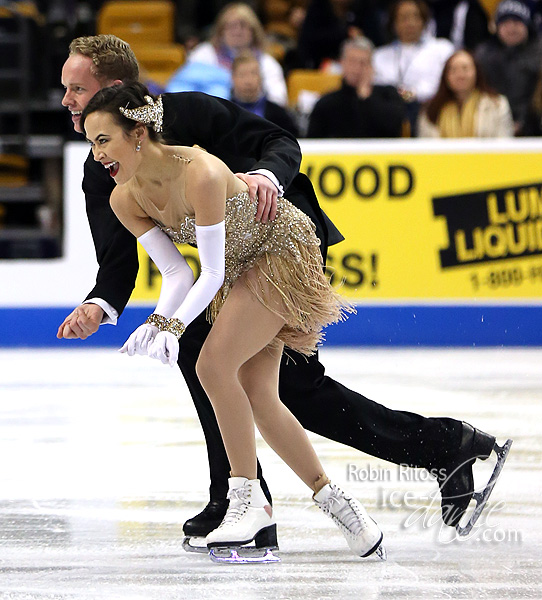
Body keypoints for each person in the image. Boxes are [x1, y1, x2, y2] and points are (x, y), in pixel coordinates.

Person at [58, 35, 508, 545]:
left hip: (281, 243)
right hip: (227, 270)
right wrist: (99, 305)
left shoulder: (194, 117)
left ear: (114, 91)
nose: (67, 100)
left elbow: (280, 143)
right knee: (243, 378)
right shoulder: (106, 171)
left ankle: (253, 496)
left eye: (78, 88)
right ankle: (265, 494)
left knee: (256, 378)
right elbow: (123, 260)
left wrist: (266, 175)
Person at [80, 81, 386, 561]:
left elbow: (213, 271)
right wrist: (158, 319)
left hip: (282, 249)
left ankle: (248, 498)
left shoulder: (198, 170)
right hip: (244, 268)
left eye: (103, 140)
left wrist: (174, 328)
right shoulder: (124, 198)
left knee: (212, 367)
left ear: (138, 133)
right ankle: (344, 509)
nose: (96, 155)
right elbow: (178, 273)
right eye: (90, 143)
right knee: (259, 395)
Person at [168, 3, 288, 107]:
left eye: (243, 26)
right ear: (220, 31)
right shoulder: (203, 54)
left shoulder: (266, 62)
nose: (237, 31)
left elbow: (278, 99)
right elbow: (181, 89)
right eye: (231, 26)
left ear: (254, 31)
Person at [372, 0, 454, 133]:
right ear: (393, 23)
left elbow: (445, 85)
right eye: (404, 18)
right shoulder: (379, 56)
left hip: (432, 112)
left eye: (416, 17)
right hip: (390, 115)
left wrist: (412, 94)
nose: (410, 23)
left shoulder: (442, 49)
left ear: (424, 20)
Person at [306, 37, 406, 138]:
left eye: (363, 63)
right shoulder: (326, 104)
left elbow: (393, 130)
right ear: (342, 63)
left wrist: (365, 98)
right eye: (352, 62)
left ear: (372, 66)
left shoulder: (388, 95)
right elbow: (313, 143)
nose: (357, 68)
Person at [474, 0, 542, 134]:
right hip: (493, 127)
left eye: (516, 22)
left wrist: (524, 123)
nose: (511, 28)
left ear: (527, 25)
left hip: (534, 127)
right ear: (497, 27)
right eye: (505, 23)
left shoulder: (539, 52)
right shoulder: (483, 55)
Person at [417, 49, 514, 137]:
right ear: (445, 76)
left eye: (465, 69)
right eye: (453, 70)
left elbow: (504, 144)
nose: (460, 75)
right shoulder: (431, 109)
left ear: (477, 72)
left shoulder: (497, 104)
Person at [230, 50, 299, 136]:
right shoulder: (223, 113)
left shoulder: (279, 114)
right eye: (242, 75)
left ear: (261, 77)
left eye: (253, 74)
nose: (248, 81)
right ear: (233, 78)